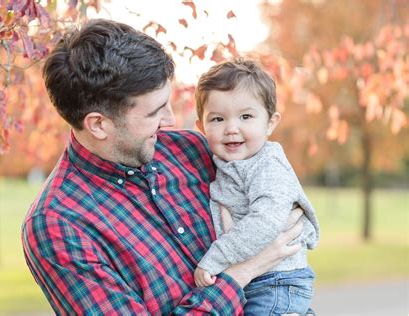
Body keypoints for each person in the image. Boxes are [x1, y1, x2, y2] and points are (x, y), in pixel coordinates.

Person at [22, 19, 305, 315]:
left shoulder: (191, 152)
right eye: (155, 111)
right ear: (98, 124)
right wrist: (243, 272)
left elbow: (281, 214)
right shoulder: (59, 224)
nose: (170, 120)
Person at [193, 58, 320, 315]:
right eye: (217, 119)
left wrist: (215, 259)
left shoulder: (268, 166)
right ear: (201, 127)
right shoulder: (227, 163)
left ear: (270, 123)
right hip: (254, 282)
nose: (231, 128)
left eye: (246, 116)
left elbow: (265, 222)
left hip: (277, 283)